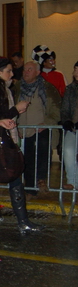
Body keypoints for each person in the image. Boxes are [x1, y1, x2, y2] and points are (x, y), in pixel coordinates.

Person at [0, 59, 43, 234]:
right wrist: (16, 109)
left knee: (8, 177)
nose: (12, 74)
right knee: (0, 178)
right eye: (8, 71)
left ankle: (21, 220)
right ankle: (20, 221)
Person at [13, 60, 61, 195]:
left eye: (29, 69)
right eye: (25, 69)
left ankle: (41, 180)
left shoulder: (47, 89)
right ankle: (29, 188)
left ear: (37, 73)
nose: (26, 72)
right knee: (26, 157)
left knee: (42, 152)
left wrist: (46, 123)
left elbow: (56, 110)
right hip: (23, 130)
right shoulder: (16, 89)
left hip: (41, 128)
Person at [60, 61, 78, 190]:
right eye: (74, 69)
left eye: (77, 70)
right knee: (68, 150)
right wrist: (66, 120)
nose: (74, 73)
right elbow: (65, 108)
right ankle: (72, 181)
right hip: (73, 128)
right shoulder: (70, 88)